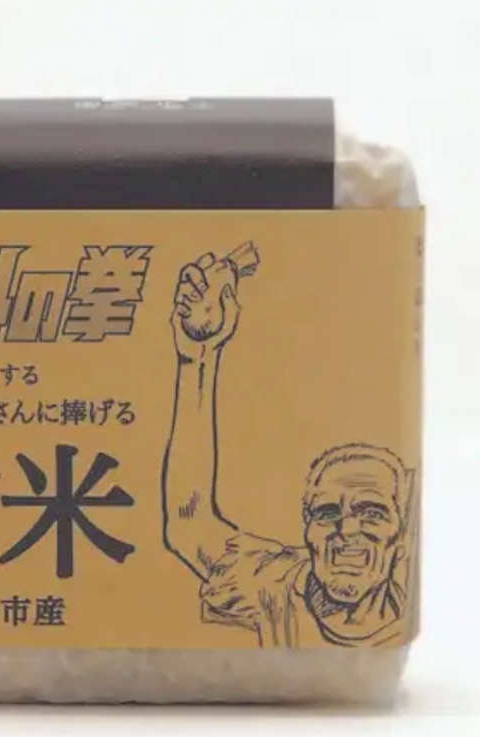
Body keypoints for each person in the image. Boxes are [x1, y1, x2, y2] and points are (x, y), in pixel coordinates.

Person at [161, 252, 418, 647]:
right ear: (307, 527)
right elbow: (188, 524)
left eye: (372, 513)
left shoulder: (404, 602)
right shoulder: (277, 586)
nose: (347, 530)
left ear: (401, 536)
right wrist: (196, 355)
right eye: (326, 513)